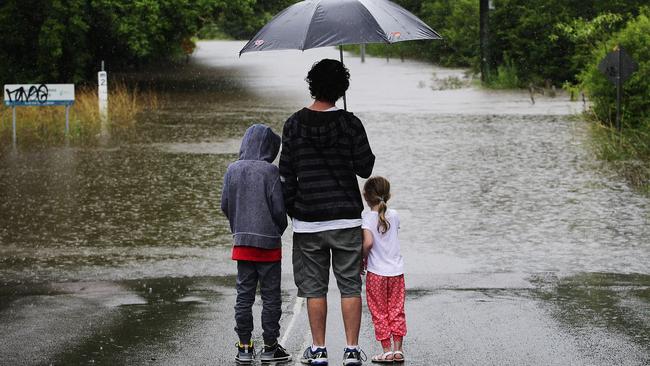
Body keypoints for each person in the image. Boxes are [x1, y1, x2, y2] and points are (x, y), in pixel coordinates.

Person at [280, 59, 375, 366]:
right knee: (350, 285)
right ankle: (351, 350)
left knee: (313, 287)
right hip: (346, 216)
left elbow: (286, 175)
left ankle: (318, 349)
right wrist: (350, 128)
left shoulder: (293, 124)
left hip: (308, 220)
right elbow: (365, 167)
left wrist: (294, 210)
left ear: (312, 85)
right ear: (342, 88)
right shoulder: (350, 123)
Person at [221, 124, 292, 364]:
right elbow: (279, 209)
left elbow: (225, 205)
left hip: (242, 243)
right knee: (271, 297)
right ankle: (270, 347)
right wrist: (277, 230)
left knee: (244, 296)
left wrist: (238, 227)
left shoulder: (232, 170)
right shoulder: (270, 172)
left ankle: (244, 347)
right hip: (269, 245)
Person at [361, 176, 406, 363]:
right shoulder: (394, 215)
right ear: (388, 195)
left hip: (376, 273)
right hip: (396, 272)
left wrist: (360, 259)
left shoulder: (367, 217)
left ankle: (386, 351)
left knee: (380, 313)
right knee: (397, 310)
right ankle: (398, 350)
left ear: (366, 196)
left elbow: (369, 243)